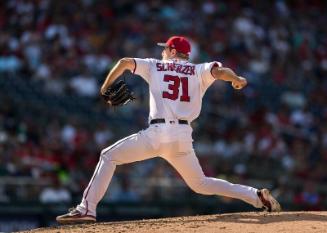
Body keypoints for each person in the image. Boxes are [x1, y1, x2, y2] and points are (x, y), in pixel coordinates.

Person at [56, 36, 281, 224]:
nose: (163, 51)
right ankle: (256, 197)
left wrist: (105, 87)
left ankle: (87, 209)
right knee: (200, 184)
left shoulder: (155, 65)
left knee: (108, 155)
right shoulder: (197, 69)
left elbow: (125, 62)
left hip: (158, 132)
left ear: (173, 50)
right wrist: (238, 79)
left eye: (166, 49)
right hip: (183, 137)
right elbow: (221, 71)